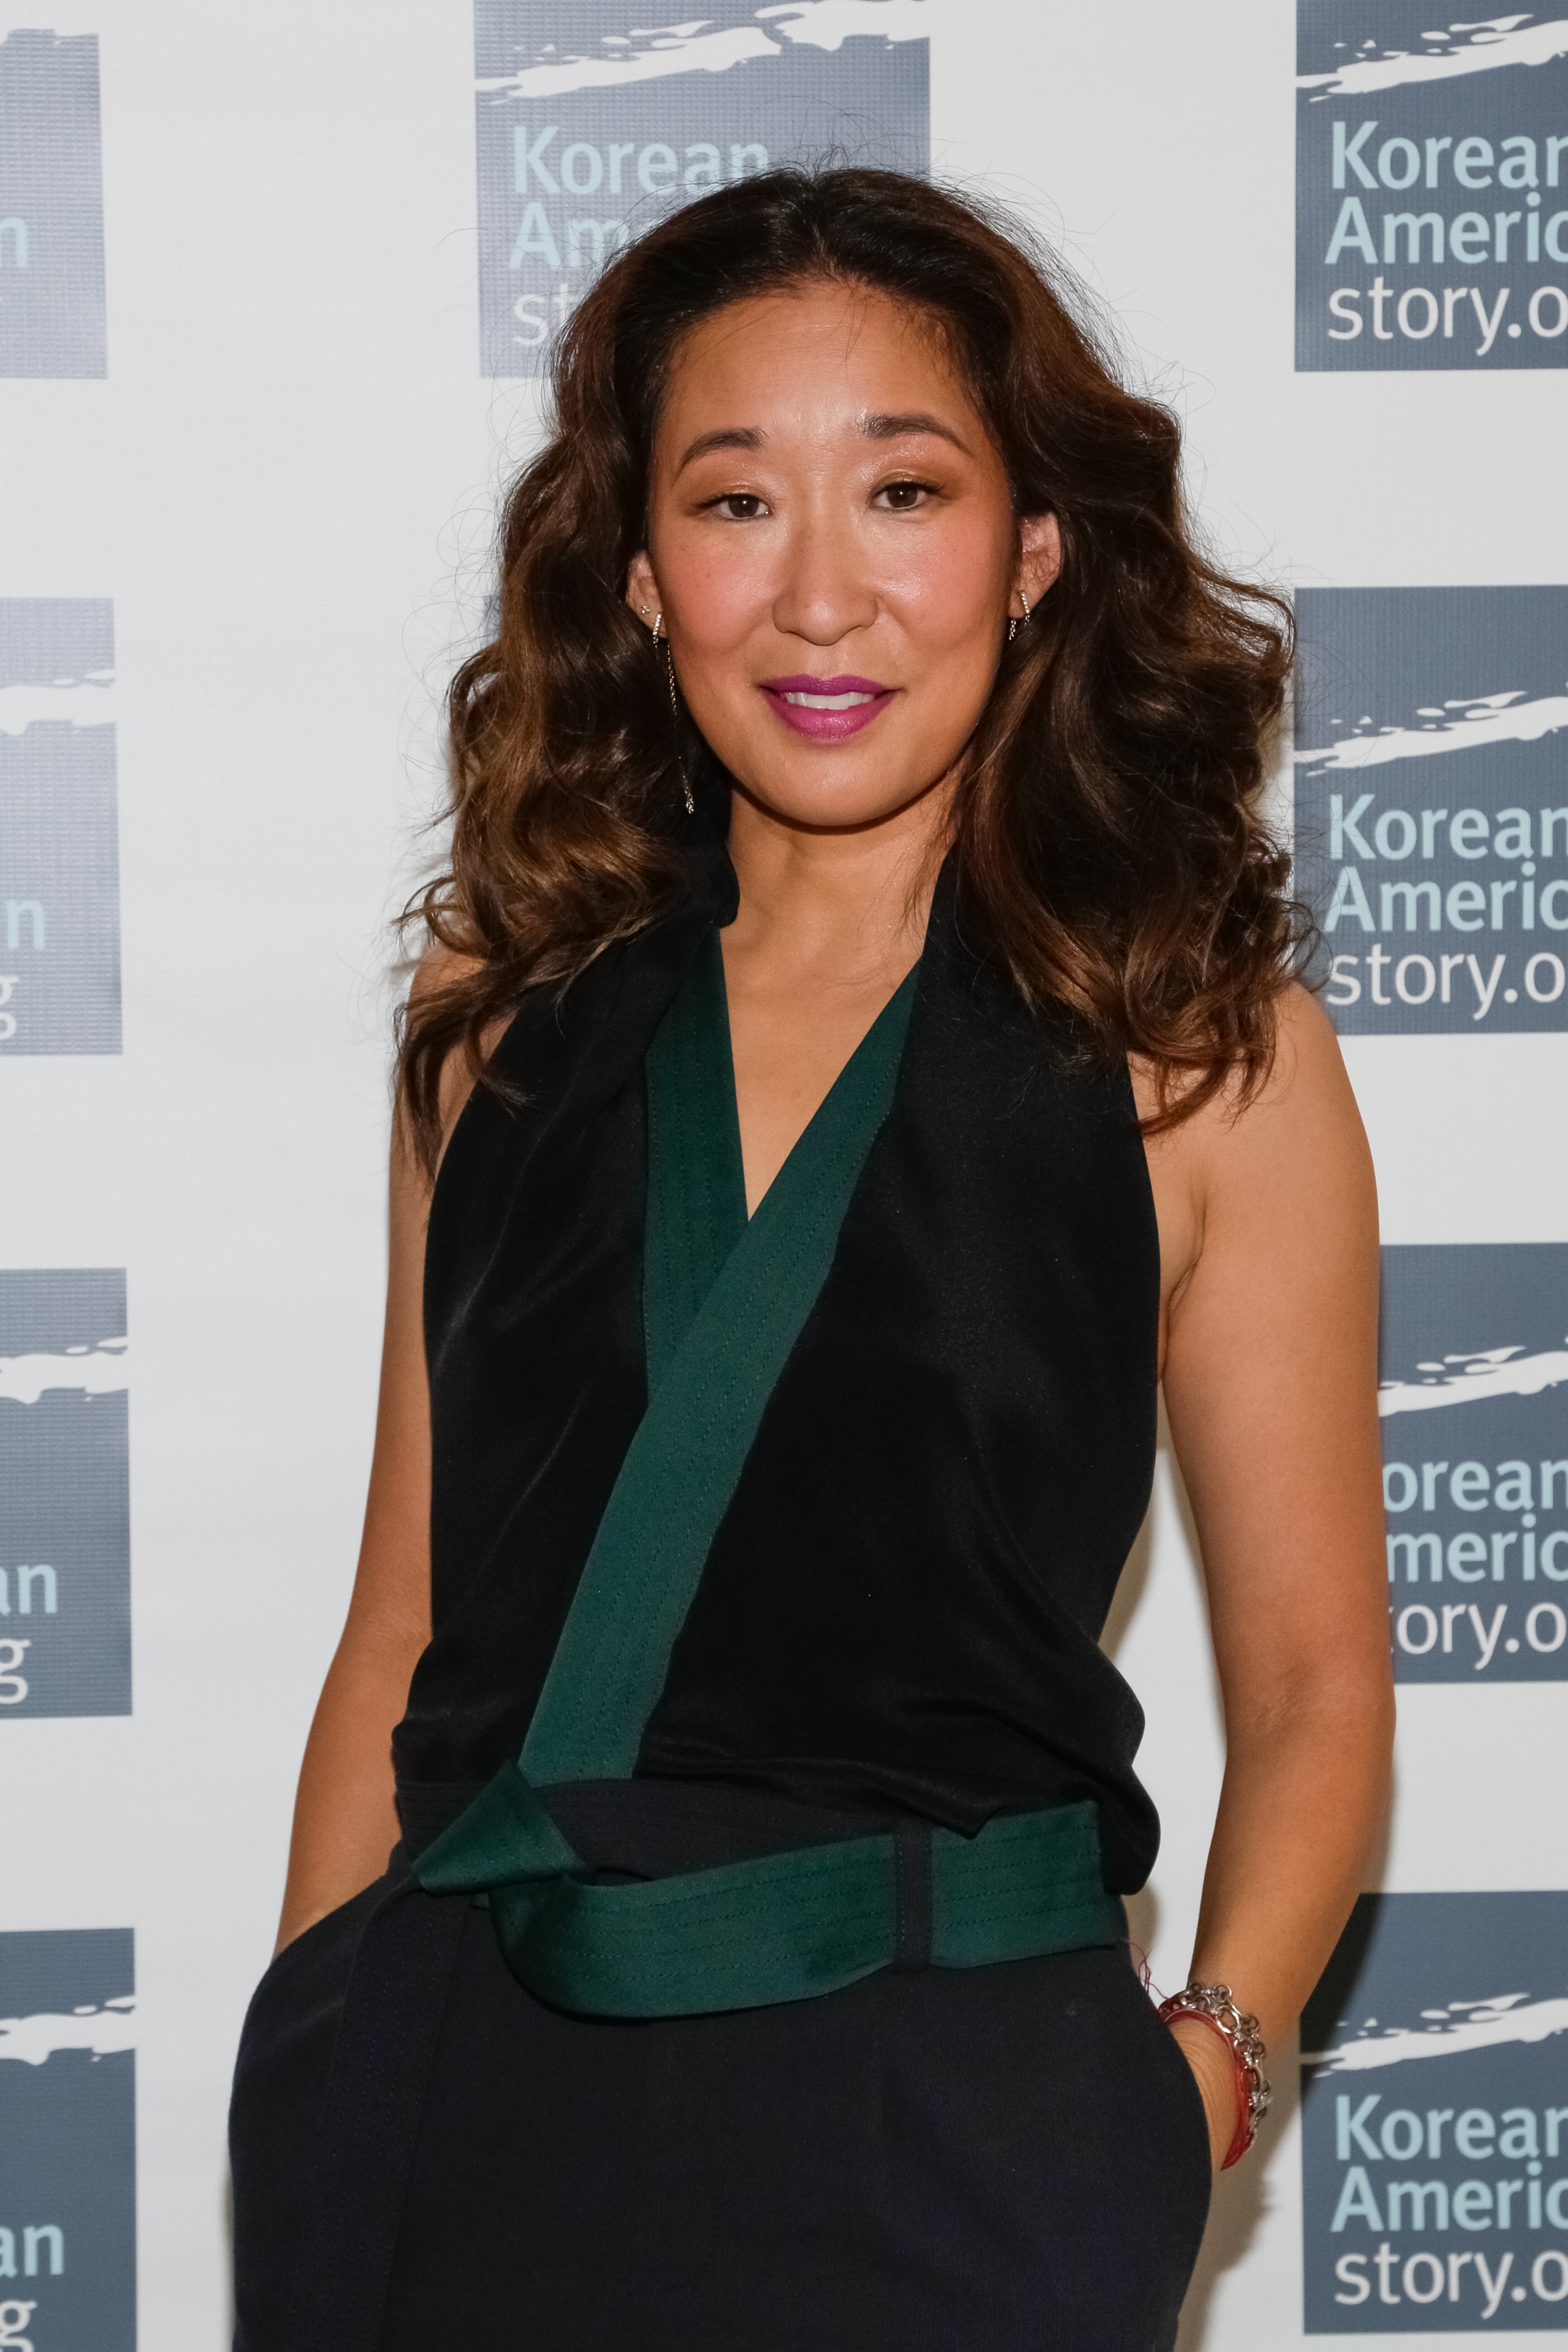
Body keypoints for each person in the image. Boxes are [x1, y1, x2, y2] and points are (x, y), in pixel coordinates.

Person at [229, 167, 1393, 2351]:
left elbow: (1322, 1688)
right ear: (645, 574)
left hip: (957, 2122)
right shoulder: (499, 1011)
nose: (824, 598)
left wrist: (1199, 2077)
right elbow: (407, 1620)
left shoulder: (1200, 1048)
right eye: (740, 504)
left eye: (909, 491)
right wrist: (310, 2055)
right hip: (462, 2104)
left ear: (1035, 552)